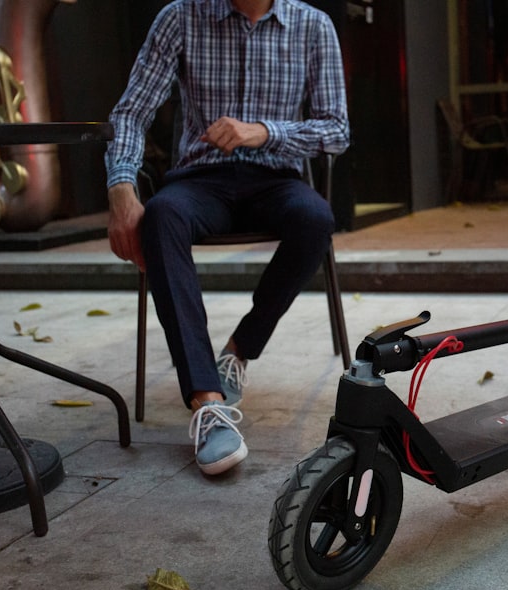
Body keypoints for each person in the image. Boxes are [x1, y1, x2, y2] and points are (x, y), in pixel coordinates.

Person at [104, 0, 349, 475]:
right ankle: (207, 402)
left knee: (315, 218)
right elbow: (131, 113)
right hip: (201, 180)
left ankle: (237, 351)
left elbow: (336, 130)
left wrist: (263, 132)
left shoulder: (313, 25)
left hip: (277, 177)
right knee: (161, 215)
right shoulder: (180, 16)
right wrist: (121, 187)